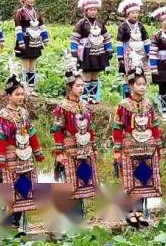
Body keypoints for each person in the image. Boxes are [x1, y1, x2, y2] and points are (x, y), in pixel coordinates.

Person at [113, 67, 163, 228]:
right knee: (130, 180)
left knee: (144, 179)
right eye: (139, 84)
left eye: (144, 84)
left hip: (148, 147)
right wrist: (117, 150)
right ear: (131, 85)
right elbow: (117, 128)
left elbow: (154, 125)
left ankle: (139, 211)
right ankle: (128, 211)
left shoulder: (149, 104)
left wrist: (158, 145)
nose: (142, 87)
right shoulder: (123, 105)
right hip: (129, 148)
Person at [0, 71, 44, 234]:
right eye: (17, 94)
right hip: (11, 158)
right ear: (9, 96)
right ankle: (7, 222)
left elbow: (32, 133)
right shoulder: (3, 116)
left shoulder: (24, 113)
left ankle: (18, 221)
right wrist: (1, 159)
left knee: (24, 187)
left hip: (26, 156)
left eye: (23, 94)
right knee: (10, 189)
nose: (21, 97)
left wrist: (38, 152)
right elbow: (0, 138)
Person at [51, 60, 99, 221]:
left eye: (82, 85)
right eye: (78, 86)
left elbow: (90, 128)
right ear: (70, 87)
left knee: (84, 180)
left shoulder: (85, 106)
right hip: (70, 149)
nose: (81, 88)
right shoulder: (62, 107)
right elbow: (57, 130)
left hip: (85, 149)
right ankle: (72, 217)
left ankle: (82, 216)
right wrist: (59, 152)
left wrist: (94, 147)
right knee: (71, 182)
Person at [70, 0, 113, 103]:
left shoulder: (99, 23)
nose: (93, 12)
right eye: (91, 10)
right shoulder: (81, 24)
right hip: (86, 53)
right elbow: (74, 38)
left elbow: (106, 37)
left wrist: (109, 49)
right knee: (87, 75)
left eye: (95, 10)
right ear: (85, 11)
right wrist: (74, 51)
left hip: (99, 52)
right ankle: (84, 98)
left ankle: (93, 97)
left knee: (95, 75)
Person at [14, 0, 49, 94]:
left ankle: (32, 87)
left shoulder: (36, 12)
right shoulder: (20, 12)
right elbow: (18, 28)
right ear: (23, 0)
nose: (32, 0)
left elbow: (42, 26)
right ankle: (24, 87)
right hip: (25, 40)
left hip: (35, 40)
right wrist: (20, 41)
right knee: (26, 65)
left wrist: (45, 38)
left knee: (33, 64)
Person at [117, 0, 151, 97]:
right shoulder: (123, 26)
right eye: (132, 13)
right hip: (128, 53)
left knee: (141, 73)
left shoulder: (140, 26)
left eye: (136, 12)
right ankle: (127, 97)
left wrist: (149, 53)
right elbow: (119, 42)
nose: (135, 15)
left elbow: (146, 40)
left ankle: (140, 95)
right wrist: (120, 57)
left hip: (141, 53)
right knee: (129, 75)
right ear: (127, 14)